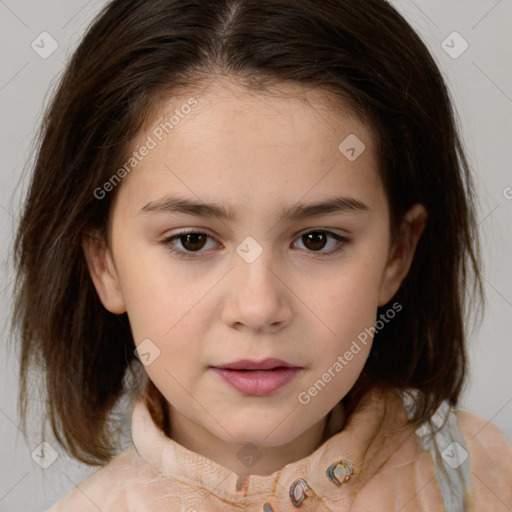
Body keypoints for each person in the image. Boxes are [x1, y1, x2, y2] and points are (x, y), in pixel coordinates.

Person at [10, 0, 511, 510]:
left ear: (396, 254)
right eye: (192, 240)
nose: (257, 308)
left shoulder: (484, 478)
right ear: (105, 265)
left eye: (317, 239)